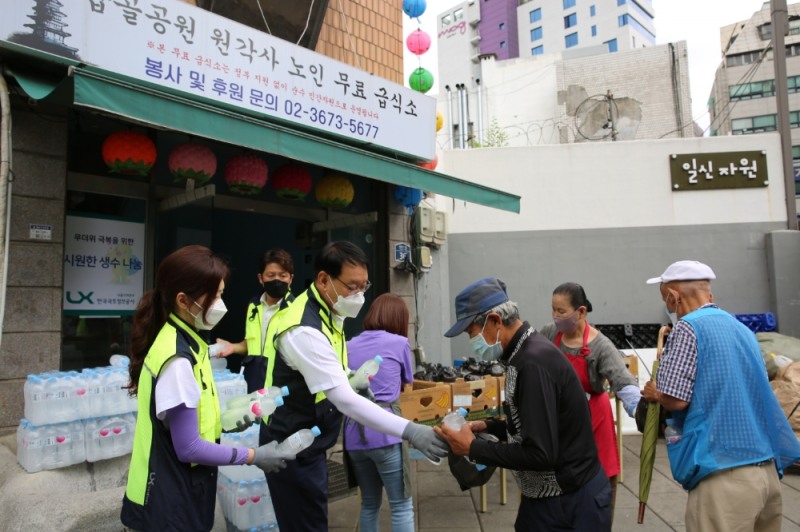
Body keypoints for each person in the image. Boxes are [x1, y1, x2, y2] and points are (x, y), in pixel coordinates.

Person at [258, 241, 448, 532]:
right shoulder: (304, 329)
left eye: (364, 286)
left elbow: (331, 368)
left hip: (311, 443)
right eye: (351, 286)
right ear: (324, 280)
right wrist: (409, 429)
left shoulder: (329, 314)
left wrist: (350, 377)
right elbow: (344, 401)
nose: (359, 295)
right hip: (291, 449)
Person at [120, 245, 294, 531]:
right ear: (183, 300)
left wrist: (226, 422)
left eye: (221, 294)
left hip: (177, 490)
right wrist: (254, 456)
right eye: (214, 296)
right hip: (166, 499)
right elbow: (189, 447)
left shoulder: (188, 341)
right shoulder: (177, 359)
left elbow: (186, 419)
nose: (220, 303)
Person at [436, 277, 611, 531]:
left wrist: (473, 448)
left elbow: (540, 453)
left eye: (471, 332)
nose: (470, 340)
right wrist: (488, 426)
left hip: (570, 501)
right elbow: (532, 422)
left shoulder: (531, 363)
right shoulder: (523, 353)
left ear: (495, 321)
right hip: (548, 496)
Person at [642, 260, 800, 532]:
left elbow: (676, 399)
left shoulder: (687, 328)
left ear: (673, 296)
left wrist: (656, 393)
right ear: (709, 294)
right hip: (766, 470)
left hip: (724, 473)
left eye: (665, 299)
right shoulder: (742, 330)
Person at [539, 282, 641, 521]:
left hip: (593, 420)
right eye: (553, 310)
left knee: (597, 489)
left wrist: (641, 410)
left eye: (562, 311)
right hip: (559, 422)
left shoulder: (601, 346)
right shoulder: (549, 334)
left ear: (581, 312)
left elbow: (623, 382)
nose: (556, 316)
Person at [343, 293, 416, 532]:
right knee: (401, 506)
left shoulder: (349, 344)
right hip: (386, 433)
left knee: (369, 504)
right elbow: (407, 384)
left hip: (353, 435)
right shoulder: (400, 343)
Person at [215, 248, 295, 392]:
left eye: (282, 276)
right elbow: (252, 344)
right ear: (261, 278)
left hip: (281, 386)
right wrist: (232, 347)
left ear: (290, 279)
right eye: (271, 275)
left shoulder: (297, 310)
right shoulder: (253, 306)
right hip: (253, 382)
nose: (277, 280)